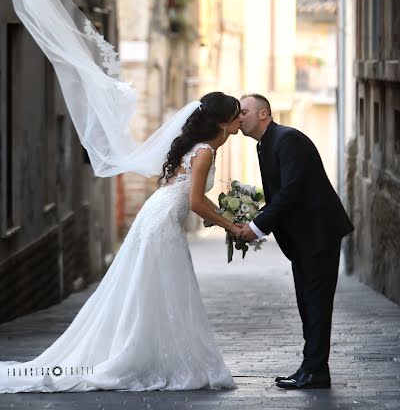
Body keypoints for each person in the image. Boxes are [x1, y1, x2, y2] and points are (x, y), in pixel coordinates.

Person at [0, 92, 241, 392]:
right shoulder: (204, 150)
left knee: (152, 289)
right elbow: (194, 201)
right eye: (237, 113)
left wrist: (225, 217)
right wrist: (232, 225)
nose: (240, 117)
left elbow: (184, 193)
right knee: (155, 289)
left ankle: (156, 356)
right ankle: (138, 358)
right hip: (162, 223)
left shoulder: (195, 147)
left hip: (157, 215)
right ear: (222, 121)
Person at [237, 93, 354, 390]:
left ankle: (315, 371)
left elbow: (290, 192)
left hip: (318, 233)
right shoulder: (266, 144)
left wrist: (257, 226)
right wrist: (253, 222)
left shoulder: (288, 139)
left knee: (316, 305)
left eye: (245, 111)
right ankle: (312, 369)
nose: (239, 117)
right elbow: (280, 197)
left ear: (264, 114)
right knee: (308, 304)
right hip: (303, 238)